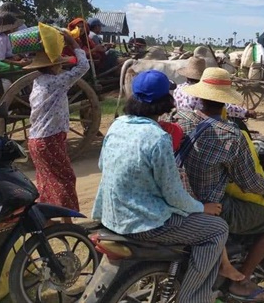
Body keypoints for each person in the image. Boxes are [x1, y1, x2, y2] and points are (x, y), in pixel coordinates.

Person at [92, 70, 229, 303]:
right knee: (217, 229)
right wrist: (202, 207)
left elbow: (102, 163)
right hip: (144, 223)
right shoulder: (158, 138)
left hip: (110, 216)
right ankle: (194, 297)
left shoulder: (117, 124)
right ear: (165, 101)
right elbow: (174, 194)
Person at [174, 68, 264, 302]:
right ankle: (242, 281)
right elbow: (248, 182)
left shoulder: (180, 119)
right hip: (213, 205)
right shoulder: (230, 135)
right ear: (225, 101)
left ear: (200, 96)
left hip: (180, 196)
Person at [26, 31, 90, 223]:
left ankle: (47, 219)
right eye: (59, 62)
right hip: (49, 139)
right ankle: (67, 222)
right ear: (53, 66)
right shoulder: (57, 82)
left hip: (36, 140)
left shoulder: (38, 82)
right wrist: (73, 42)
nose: (62, 64)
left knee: (46, 180)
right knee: (65, 178)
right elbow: (83, 66)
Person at [173, 56, 256, 119]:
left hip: (181, 124)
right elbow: (225, 107)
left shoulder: (178, 89)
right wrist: (246, 112)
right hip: (199, 127)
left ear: (186, 75)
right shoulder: (200, 93)